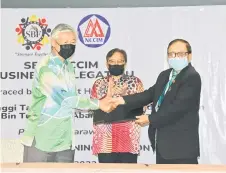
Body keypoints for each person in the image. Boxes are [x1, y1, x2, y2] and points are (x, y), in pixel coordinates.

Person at [21, 24, 112, 163]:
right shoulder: (46, 67)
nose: (69, 46)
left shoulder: (69, 66)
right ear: (53, 43)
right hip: (42, 138)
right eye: (65, 43)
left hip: (64, 140)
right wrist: (99, 103)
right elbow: (66, 99)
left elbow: (71, 100)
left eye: (73, 43)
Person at [111, 39, 202, 164]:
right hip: (163, 146)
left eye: (180, 54)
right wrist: (122, 100)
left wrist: (150, 119)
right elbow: (149, 94)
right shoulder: (165, 75)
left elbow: (177, 109)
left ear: (189, 56)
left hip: (181, 148)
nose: (175, 57)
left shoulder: (192, 77)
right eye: (171, 54)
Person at [90, 48, 145, 163]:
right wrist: (108, 98)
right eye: (112, 61)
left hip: (127, 137)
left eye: (120, 61)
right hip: (105, 138)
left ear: (125, 63)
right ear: (107, 63)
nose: (116, 64)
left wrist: (125, 98)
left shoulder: (135, 82)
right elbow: (94, 107)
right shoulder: (98, 84)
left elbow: (141, 107)